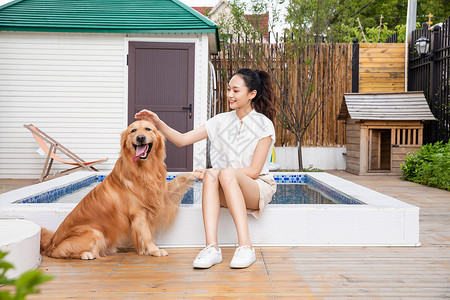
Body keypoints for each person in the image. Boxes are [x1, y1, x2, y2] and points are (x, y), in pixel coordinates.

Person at [135, 68, 277, 269]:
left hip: (256, 187)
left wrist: (220, 173)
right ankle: (212, 248)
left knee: (222, 172)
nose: (229, 95)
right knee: (212, 174)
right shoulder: (220, 120)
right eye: (228, 89)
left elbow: (254, 171)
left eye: (235, 91)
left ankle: (246, 247)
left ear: (252, 94)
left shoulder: (264, 125)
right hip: (226, 185)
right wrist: (158, 123)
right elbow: (183, 140)